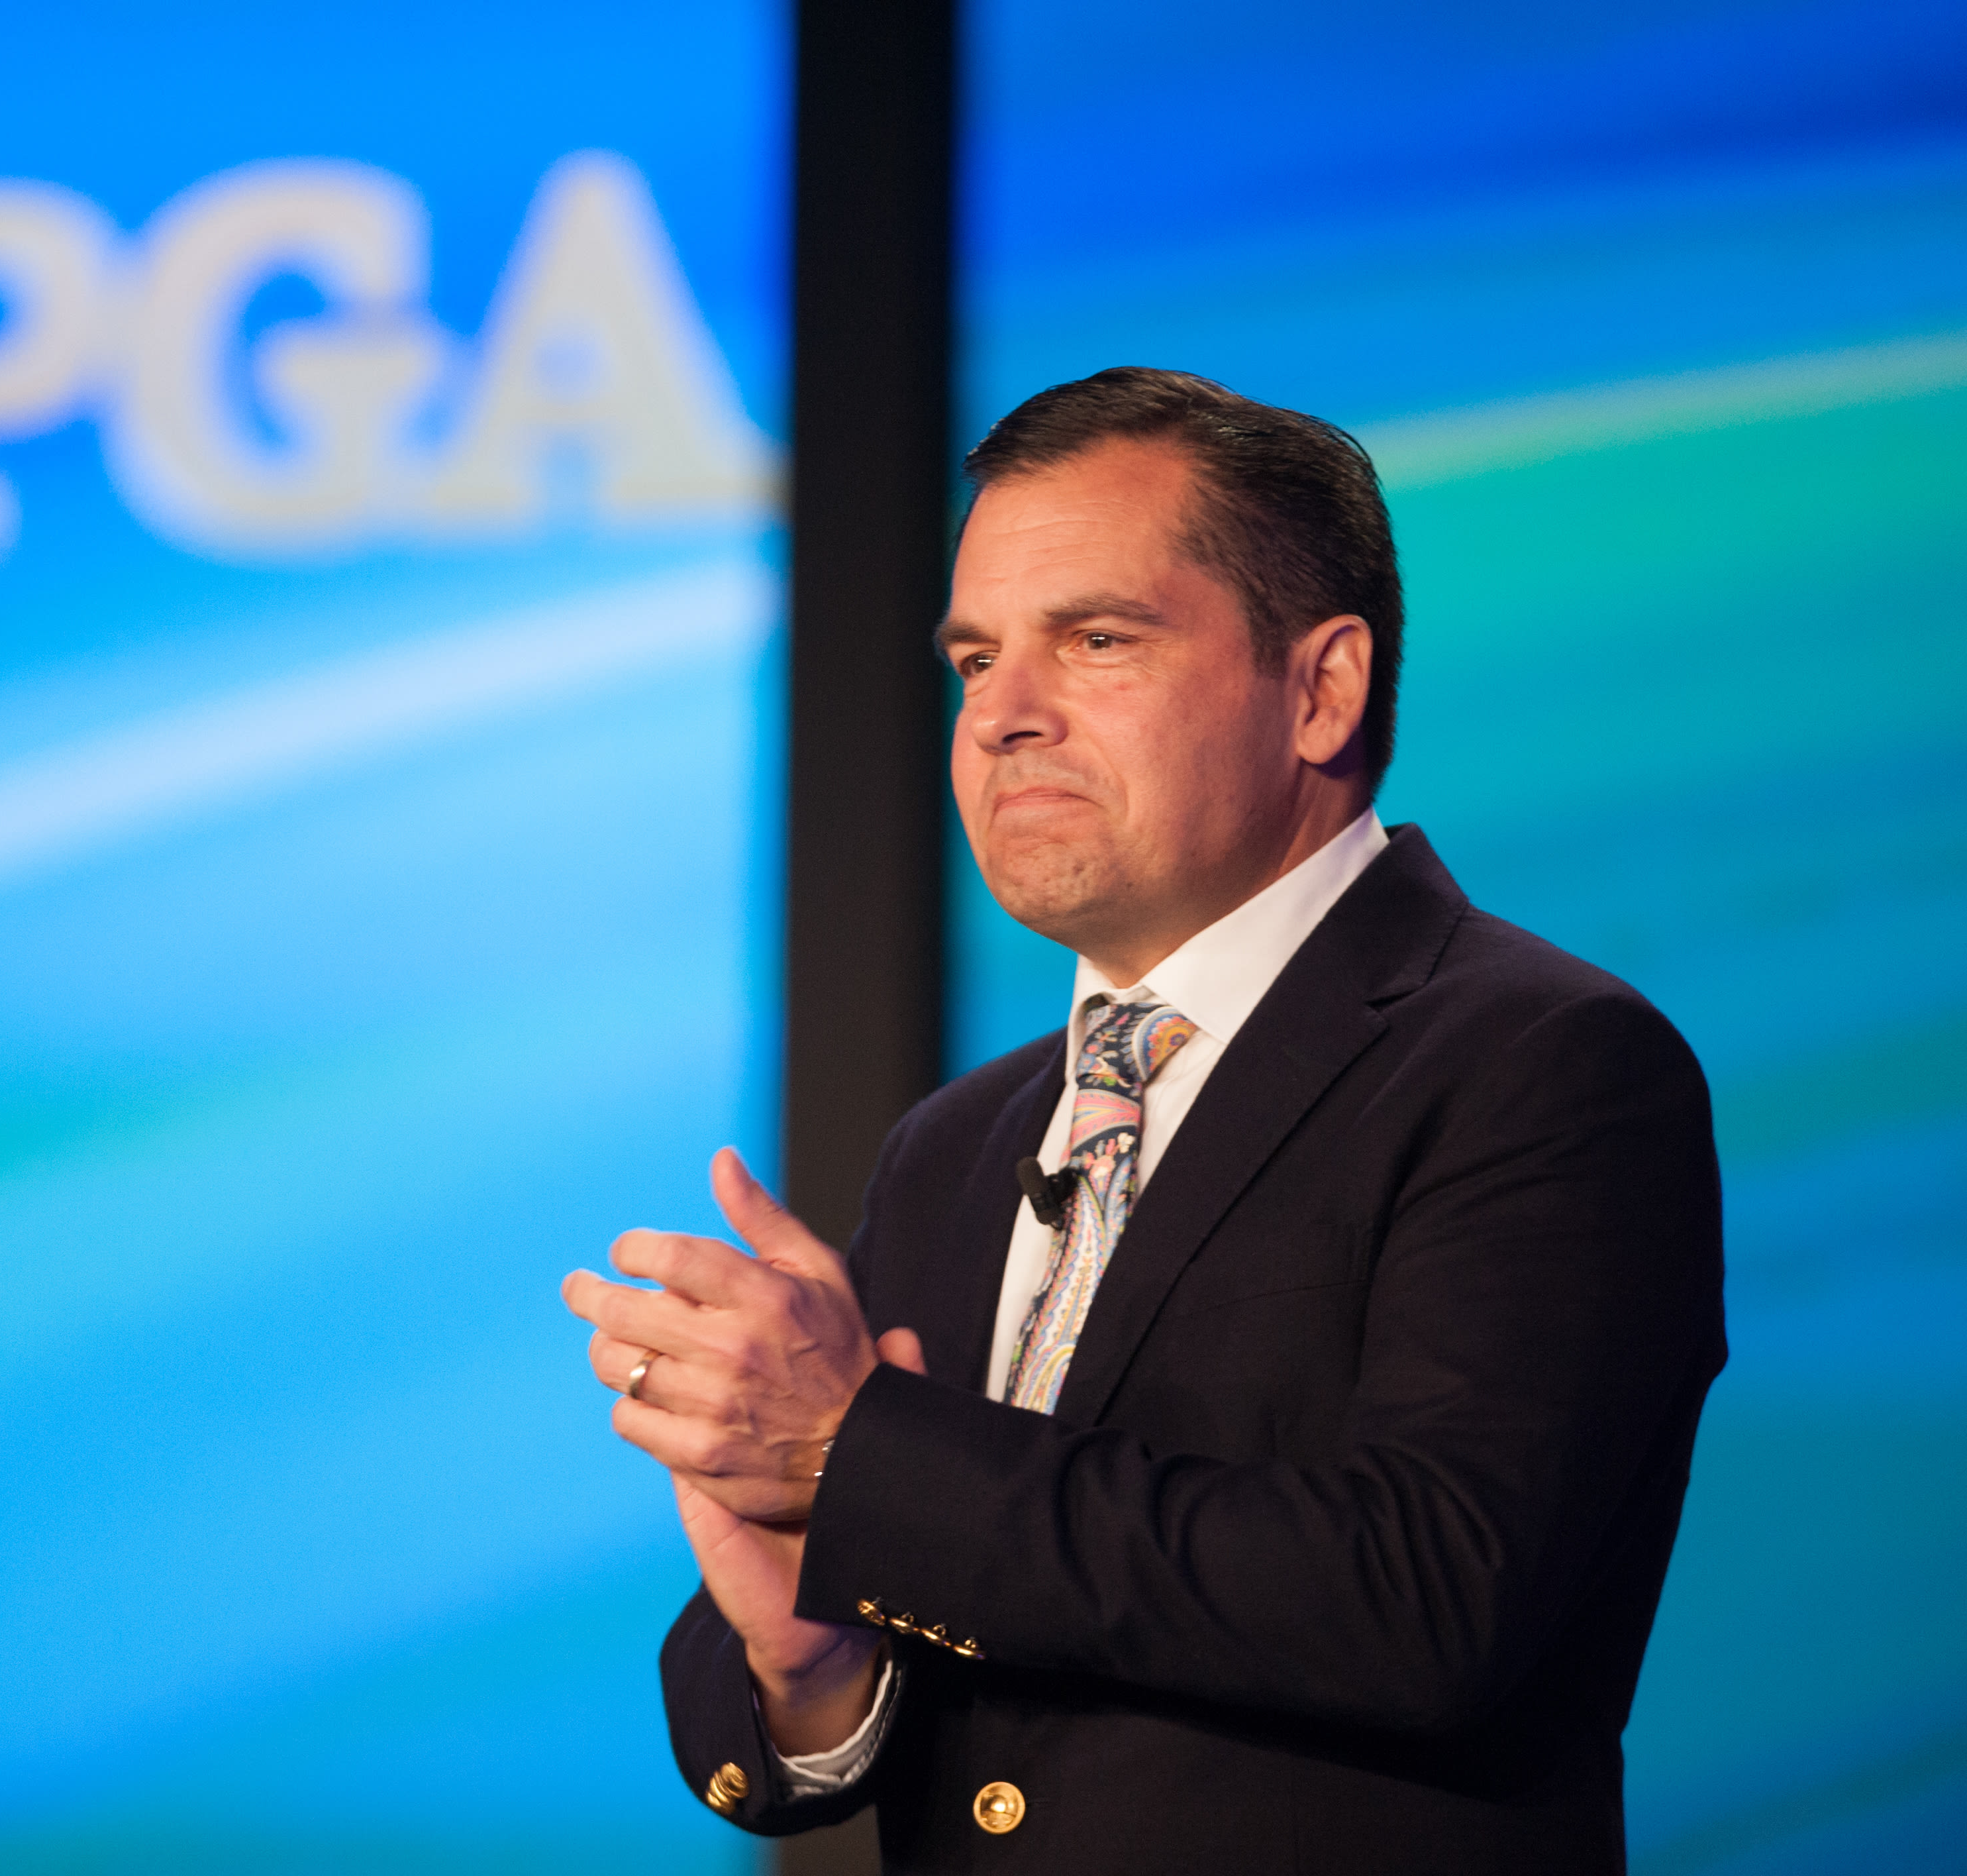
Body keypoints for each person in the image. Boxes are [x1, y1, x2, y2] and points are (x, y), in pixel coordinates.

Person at [561, 368, 1724, 1871]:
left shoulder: (1541, 1063)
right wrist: (808, 1665)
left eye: (1096, 641)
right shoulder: (955, 1147)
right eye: (973, 660)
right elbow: (840, 1685)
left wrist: (867, 1466)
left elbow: (1432, 1598)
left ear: (1320, 690)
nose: (1000, 719)